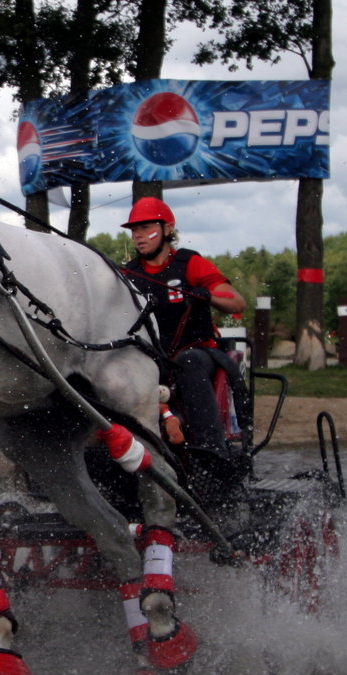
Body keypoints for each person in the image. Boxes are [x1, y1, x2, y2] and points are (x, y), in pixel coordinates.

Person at [121, 197, 247, 493]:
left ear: (167, 229)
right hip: (151, 358)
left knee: (188, 361)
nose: (138, 235)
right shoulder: (127, 274)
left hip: (199, 354)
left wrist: (208, 296)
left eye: (145, 227)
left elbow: (236, 302)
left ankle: (211, 451)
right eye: (134, 229)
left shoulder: (190, 264)